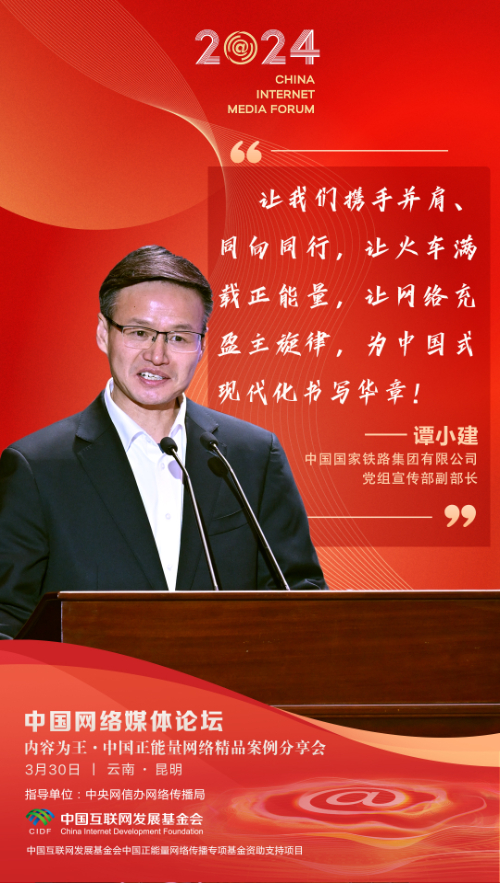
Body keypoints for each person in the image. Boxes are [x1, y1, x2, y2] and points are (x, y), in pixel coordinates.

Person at [0, 245, 326, 638]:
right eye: (139, 332)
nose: (157, 355)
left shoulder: (252, 455)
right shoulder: (38, 466)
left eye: (179, 337)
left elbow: (301, 597)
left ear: (202, 345)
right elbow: (8, 618)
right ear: (104, 333)